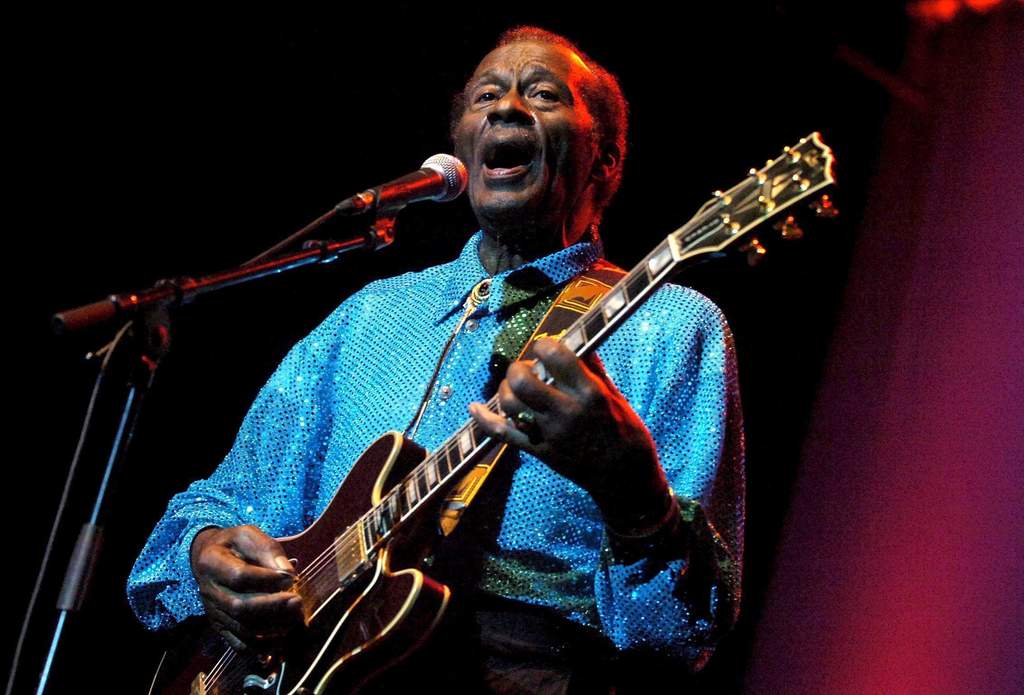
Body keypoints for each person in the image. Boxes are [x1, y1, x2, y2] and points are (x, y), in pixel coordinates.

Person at [127, 26, 745, 693]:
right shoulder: (369, 315)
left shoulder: (668, 325)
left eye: (543, 94)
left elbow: (685, 632)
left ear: (606, 160)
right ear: (462, 149)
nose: (507, 108)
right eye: (486, 95)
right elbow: (225, 497)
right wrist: (205, 551)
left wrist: (631, 488)